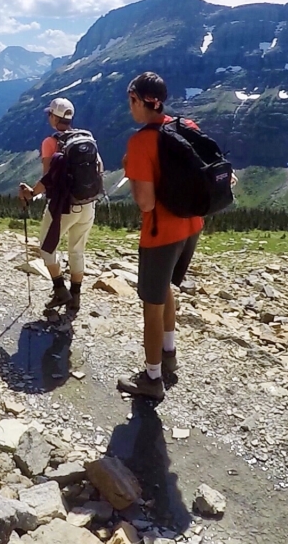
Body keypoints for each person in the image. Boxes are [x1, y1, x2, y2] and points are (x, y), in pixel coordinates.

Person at [116, 72, 203, 401]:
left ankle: (152, 379)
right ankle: (169, 355)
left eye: (131, 102)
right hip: (191, 226)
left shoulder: (140, 142)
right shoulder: (187, 127)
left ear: (139, 100)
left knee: (151, 307)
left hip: (160, 234)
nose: (130, 109)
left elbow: (146, 202)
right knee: (167, 288)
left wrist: (131, 169)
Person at [19, 97, 100, 315]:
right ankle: (75, 298)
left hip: (63, 207)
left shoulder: (51, 142)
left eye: (49, 114)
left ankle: (59, 288)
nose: (48, 117)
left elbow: (48, 178)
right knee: (77, 250)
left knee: (47, 247)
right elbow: (99, 168)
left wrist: (31, 193)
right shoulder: (86, 138)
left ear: (55, 117)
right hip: (88, 204)